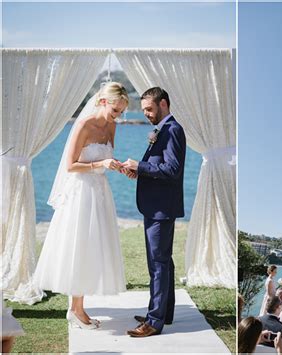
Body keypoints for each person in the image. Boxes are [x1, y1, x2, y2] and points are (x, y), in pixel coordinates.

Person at [33, 82, 129, 329]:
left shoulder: (112, 127)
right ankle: (77, 310)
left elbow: (105, 157)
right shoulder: (83, 125)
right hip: (81, 192)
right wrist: (101, 165)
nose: (117, 116)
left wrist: (116, 164)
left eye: (120, 112)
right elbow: (71, 165)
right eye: (115, 110)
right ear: (103, 101)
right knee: (79, 247)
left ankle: (77, 308)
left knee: (92, 249)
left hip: (100, 193)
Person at [122, 87, 186, 337]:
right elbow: (160, 166)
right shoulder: (165, 129)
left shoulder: (173, 130)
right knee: (163, 263)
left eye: (149, 109)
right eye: (145, 110)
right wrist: (139, 171)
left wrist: (140, 165)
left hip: (161, 208)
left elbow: (172, 170)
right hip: (157, 205)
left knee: (157, 265)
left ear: (164, 104)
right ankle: (164, 312)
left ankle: (154, 321)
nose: (147, 114)